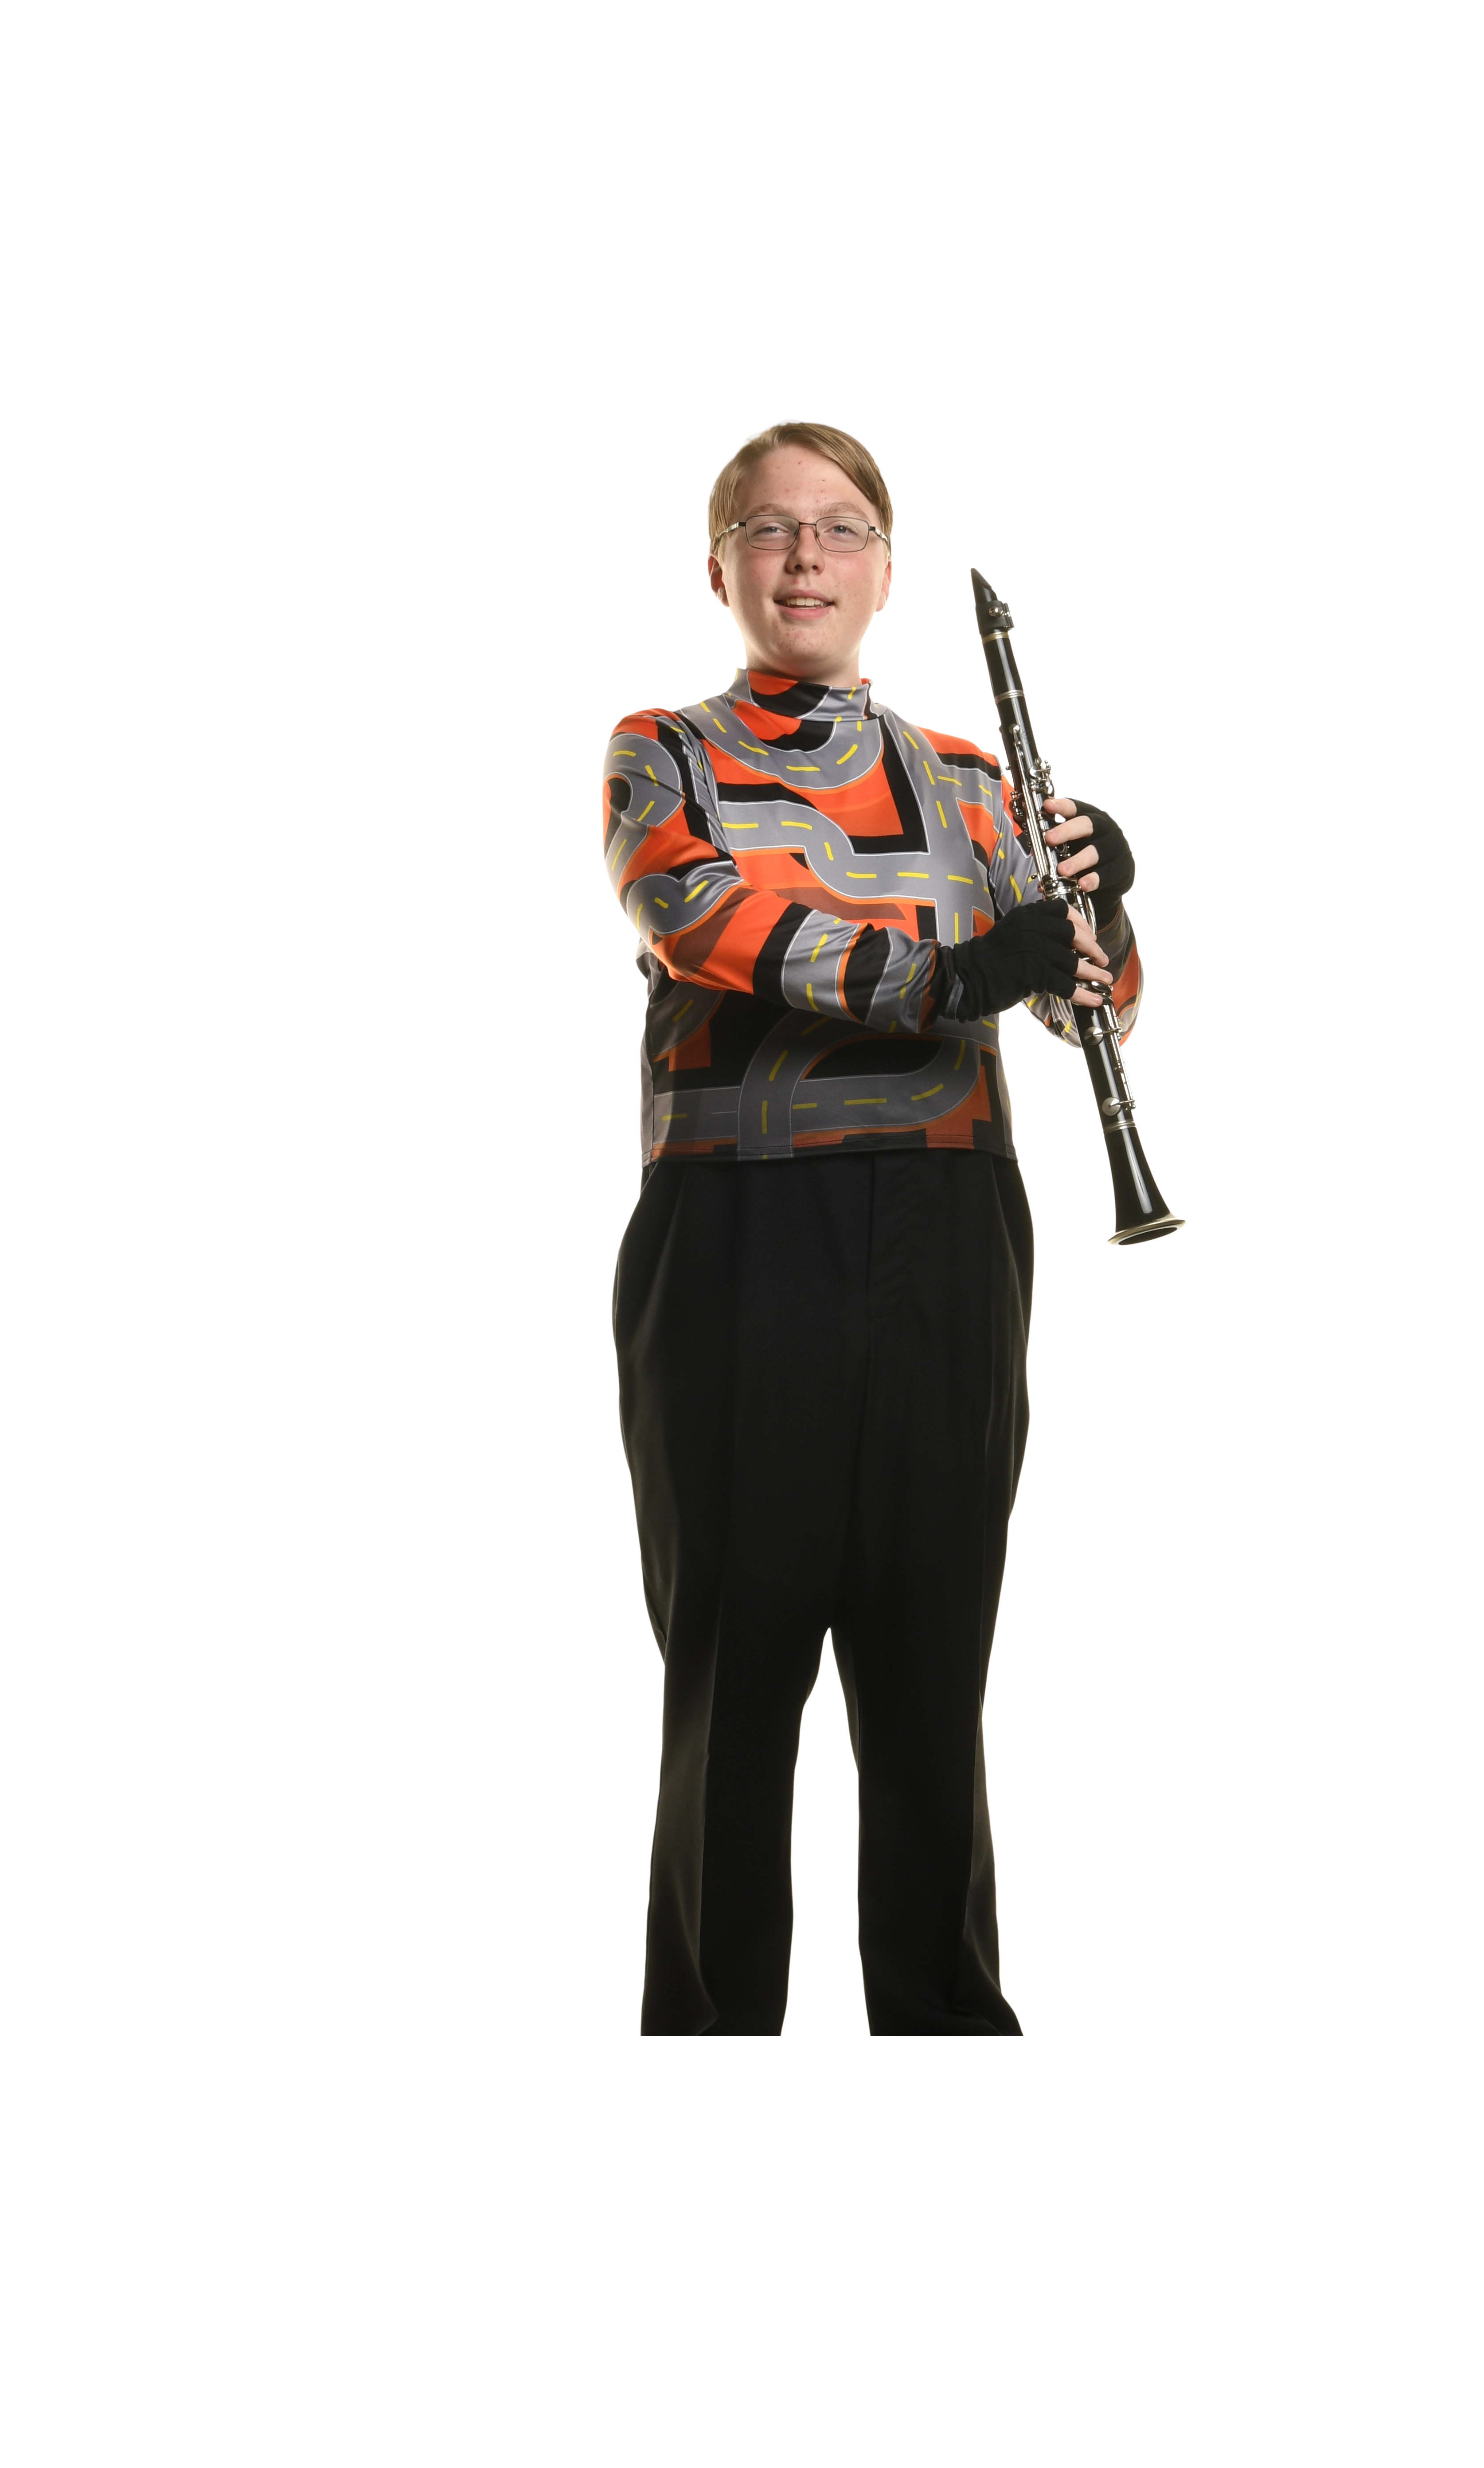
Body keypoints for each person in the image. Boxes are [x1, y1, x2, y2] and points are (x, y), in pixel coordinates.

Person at [602, 418, 1143, 2036]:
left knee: (930, 1678)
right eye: (770, 529)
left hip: (951, 1233)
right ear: (720, 565)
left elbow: (1086, 1008)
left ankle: (949, 2043)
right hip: (736, 1237)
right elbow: (706, 920)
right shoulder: (661, 750)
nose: (806, 557)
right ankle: (710, 2052)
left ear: (885, 566)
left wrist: (1105, 908)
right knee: (734, 1683)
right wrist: (957, 969)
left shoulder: (976, 783)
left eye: (841, 528)